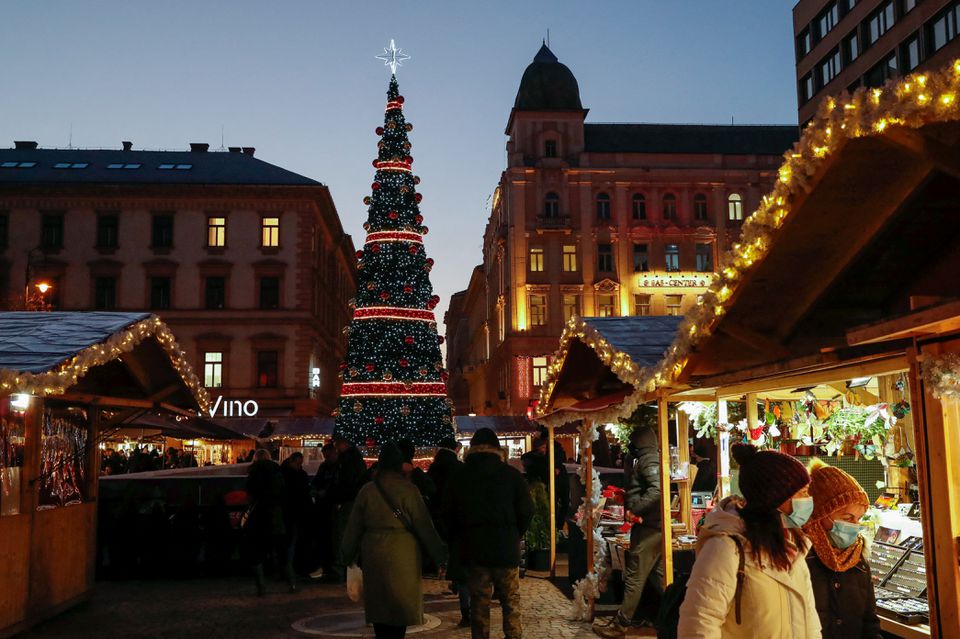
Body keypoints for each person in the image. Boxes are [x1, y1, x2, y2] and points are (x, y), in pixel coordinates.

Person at [677, 444, 821, 638]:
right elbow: (699, 623)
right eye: (803, 492)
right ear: (775, 496)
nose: (809, 498)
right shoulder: (726, 547)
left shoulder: (795, 546)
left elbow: (809, 621)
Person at [340, 442, 447, 639]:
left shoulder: (367, 491)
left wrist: (347, 554)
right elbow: (425, 526)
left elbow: (353, 525)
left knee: (379, 604)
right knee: (401, 605)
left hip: (373, 550)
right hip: (403, 551)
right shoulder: (409, 490)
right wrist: (440, 556)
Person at [443, 427, 534, 639]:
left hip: (475, 550)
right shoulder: (511, 475)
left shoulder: (460, 476)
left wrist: (459, 538)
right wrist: (514, 533)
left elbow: (447, 514)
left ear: (472, 449)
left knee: (479, 605)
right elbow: (527, 510)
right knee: (510, 601)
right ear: (497, 449)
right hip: (506, 549)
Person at [593, 416, 664, 638]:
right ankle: (675, 616)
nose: (629, 447)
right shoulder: (645, 459)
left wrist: (635, 510)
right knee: (658, 577)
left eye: (632, 442)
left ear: (640, 443)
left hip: (648, 527)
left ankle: (621, 624)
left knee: (635, 576)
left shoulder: (649, 460)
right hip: (651, 526)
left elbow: (656, 490)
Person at [803, 459, 881, 639]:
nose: (854, 526)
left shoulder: (858, 560)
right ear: (820, 514)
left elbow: (869, 624)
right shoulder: (801, 557)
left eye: (858, 518)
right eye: (847, 517)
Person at [429, 438, 470, 626]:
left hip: (440, 516)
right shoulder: (459, 469)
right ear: (456, 449)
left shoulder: (434, 467)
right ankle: (468, 609)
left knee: (452, 553)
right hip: (461, 521)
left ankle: (446, 571)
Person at [244, 449, 285, 596]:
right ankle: (283, 578)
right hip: (275, 512)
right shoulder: (277, 471)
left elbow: (249, 494)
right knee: (277, 547)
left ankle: (261, 585)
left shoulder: (253, 472)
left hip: (258, 513)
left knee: (256, 549)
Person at [329, 436, 368, 582]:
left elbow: (346, 481)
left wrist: (339, 498)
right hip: (351, 499)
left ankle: (342, 568)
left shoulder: (347, 460)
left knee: (342, 534)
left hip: (347, 501)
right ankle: (348, 567)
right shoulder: (353, 458)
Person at [280, 451, 310, 589]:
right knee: (291, 542)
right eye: (298, 464)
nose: (299, 466)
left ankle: (286, 569)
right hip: (295, 513)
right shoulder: (299, 476)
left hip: (289, 512)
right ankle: (289, 569)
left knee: (287, 542)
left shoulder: (282, 474)